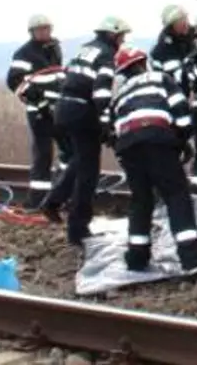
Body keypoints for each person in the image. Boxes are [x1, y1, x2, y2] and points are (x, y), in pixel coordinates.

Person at [108, 47, 197, 273]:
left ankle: (136, 259)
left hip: (127, 147)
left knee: (141, 201)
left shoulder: (120, 93)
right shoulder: (161, 79)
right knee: (177, 196)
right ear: (143, 62)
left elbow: (113, 129)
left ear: (123, 72)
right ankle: (192, 260)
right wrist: (181, 142)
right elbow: (182, 115)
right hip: (157, 140)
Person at [40, 16, 130, 245]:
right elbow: (101, 92)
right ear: (112, 35)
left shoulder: (85, 49)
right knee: (88, 173)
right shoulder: (106, 55)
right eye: (121, 36)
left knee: (80, 161)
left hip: (64, 110)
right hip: (82, 113)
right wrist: (106, 121)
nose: (123, 40)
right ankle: (77, 229)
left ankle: (53, 201)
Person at [6, 14, 70, 209]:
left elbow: (58, 76)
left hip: (58, 109)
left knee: (68, 152)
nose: (45, 32)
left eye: (47, 28)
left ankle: (62, 194)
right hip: (40, 112)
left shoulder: (54, 49)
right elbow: (14, 81)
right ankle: (38, 200)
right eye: (40, 29)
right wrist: (39, 101)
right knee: (43, 154)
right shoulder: (24, 53)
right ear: (32, 32)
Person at [150, 5, 197, 187]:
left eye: (185, 19)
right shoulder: (161, 51)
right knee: (176, 137)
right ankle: (169, 180)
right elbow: (163, 80)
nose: (185, 24)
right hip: (175, 100)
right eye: (180, 22)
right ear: (171, 25)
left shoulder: (196, 37)